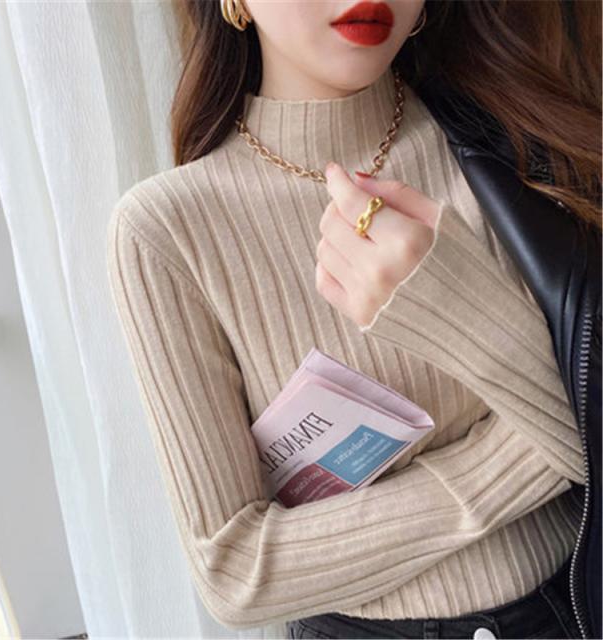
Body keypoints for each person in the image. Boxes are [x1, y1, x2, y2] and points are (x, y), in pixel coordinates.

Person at [105, 1, 601, 638]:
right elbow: (236, 572)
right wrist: (520, 463)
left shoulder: (529, 141)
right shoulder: (165, 232)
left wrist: (454, 310)